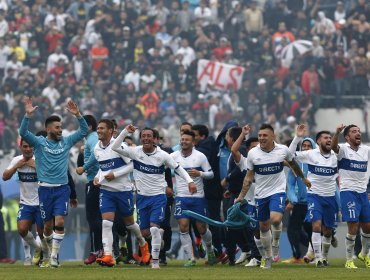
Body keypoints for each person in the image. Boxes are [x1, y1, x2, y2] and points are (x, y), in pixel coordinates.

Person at [111, 125, 196, 269]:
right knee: (145, 232)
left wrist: (190, 181)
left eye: (149, 136)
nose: (146, 138)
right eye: (143, 136)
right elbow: (115, 146)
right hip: (142, 198)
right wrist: (125, 131)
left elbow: (178, 169)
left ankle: (155, 261)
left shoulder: (162, 155)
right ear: (141, 138)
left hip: (158, 197)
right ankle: (158, 240)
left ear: (154, 139)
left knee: (154, 228)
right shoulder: (135, 152)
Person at [19, 97, 88, 268]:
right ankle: (49, 253)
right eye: (57, 127)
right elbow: (23, 133)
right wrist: (27, 116)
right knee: (47, 228)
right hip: (44, 190)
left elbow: (84, 130)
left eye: (61, 127)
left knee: (60, 222)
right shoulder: (40, 143)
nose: (60, 130)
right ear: (48, 129)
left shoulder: (66, 141)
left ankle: (55, 257)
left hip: (61, 189)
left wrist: (78, 115)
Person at [235, 124, 310, 269]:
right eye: (260, 135)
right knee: (263, 227)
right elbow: (248, 178)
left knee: (275, 219)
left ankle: (275, 242)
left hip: (278, 191)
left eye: (265, 135)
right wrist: (241, 196)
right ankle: (268, 258)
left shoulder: (282, 150)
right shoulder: (253, 154)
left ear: (273, 137)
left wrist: (303, 179)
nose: (261, 138)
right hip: (260, 194)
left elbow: (294, 165)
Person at [78, 119, 150, 267]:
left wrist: (115, 175)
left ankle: (143, 244)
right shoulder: (97, 148)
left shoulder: (120, 146)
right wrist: (98, 177)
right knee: (106, 223)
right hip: (106, 191)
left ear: (111, 131)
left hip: (124, 191)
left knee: (130, 224)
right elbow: (102, 167)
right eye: (98, 128)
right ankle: (109, 255)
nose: (99, 130)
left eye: (102, 128)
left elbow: (133, 165)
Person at [289, 124, 338, 267]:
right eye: (325, 138)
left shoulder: (336, 156)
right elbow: (290, 155)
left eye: (330, 137)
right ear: (318, 141)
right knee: (315, 225)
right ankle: (317, 258)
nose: (328, 140)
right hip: (314, 195)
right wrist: (297, 137)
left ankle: (324, 257)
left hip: (330, 197)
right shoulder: (311, 154)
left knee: (327, 230)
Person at [170, 130, 216, 267]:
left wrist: (200, 173)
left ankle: (210, 250)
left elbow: (211, 174)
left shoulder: (200, 156)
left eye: (187, 140)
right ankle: (191, 258)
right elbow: (164, 171)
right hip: (181, 197)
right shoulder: (173, 156)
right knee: (183, 227)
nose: (184, 141)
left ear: (193, 142)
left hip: (198, 198)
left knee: (202, 228)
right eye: (182, 139)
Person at [332, 124, 370, 269]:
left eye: (359, 131)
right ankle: (349, 260)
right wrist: (336, 132)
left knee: (367, 226)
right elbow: (334, 147)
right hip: (348, 192)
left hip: (363, 192)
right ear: (347, 137)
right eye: (354, 132)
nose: (358, 133)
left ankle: (364, 254)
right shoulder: (343, 149)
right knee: (353, 225)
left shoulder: (366, 150)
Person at [2, 138, 43, 266]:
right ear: (21, 147)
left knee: (42, 233)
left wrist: (37, 167)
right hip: (25, 202)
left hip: (41, 202)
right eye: (25, 146)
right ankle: (34, 251)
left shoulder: (39, 160)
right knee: (22, 229)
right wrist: (16, 166)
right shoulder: (16, 160)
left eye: (30, 146)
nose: (28, 149)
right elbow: (5, 176)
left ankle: (45, 256)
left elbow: (50, 176)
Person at [229, 127, 262, 267]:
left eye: (259, 146)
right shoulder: (245, 162)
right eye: (254, 147)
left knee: (263, 228)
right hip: (250, 202)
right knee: (252, 229)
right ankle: (257, 257)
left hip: (265, 199)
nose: (257, 149)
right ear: (248, 150)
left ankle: (266, 255)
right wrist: (243, 134)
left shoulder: (268, 161)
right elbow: (234, 150)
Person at [283, 137, 315, 264]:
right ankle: (299, 256)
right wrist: (292, 198)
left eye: (309, 146)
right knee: (294, 229)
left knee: (310, 228)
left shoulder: (318, 161)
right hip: (299, 202)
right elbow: (291, 184)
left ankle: (313, 254)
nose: (306, 148)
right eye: (304, 146)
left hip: (314, 201)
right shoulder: (296, 163)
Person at [75, 115, 101, 265]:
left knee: (93, 218)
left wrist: (83, 167)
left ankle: (96, 251)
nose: (80, 130)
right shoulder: (91, 140)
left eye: (82, 126)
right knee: (101, 219)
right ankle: (104, 250)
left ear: (89, 126)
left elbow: (96, 157)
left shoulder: (92, 138)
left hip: (94, 182)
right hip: (97, 180)